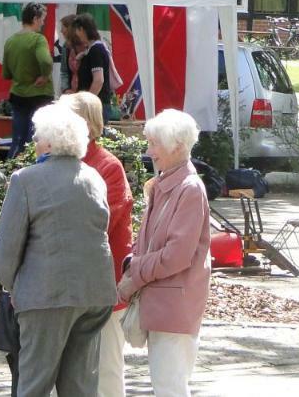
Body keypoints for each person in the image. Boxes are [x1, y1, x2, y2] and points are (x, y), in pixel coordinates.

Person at [0, 103, 117, 397]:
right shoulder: (93, 178)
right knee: (80, 386)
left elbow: (7, 246)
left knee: (34, 384)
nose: (33, 143)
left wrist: (10, 286)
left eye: (36, 138)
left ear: (49, 142)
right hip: (94, 292)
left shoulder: (25, 180)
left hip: (46, 294)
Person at [117, 109, 210, 397]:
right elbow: (150, 243)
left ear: (178, 146)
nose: (149, 151)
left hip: (174, 305)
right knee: (166, 386)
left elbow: (176, 255)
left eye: (155, 143)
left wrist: (135, 273)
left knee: (170, 388)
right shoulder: (167, 184)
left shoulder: (189, 189)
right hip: (163, 303)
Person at [61, 92, 133, 397]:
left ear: (85, 124)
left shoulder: (108, 166)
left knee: (106, 369)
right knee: (67, 370)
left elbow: (100, 226)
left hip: (104, 288)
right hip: (66, 285)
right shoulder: (59, 162)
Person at [2, 3, 54, 159]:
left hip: (17, 95)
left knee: (17, 139)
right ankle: (33, 171)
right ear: (35, 18)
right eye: (42, 19)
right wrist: (44, 76)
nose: (43, 23)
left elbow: (6, 74)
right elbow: (45, 61)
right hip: (39, 96)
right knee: (36, 139)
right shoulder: (38, 39)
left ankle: (11, 170)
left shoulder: (10, 41)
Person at [72, 14, 115, 122]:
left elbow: (98, 80)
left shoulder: (96, 50)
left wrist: (87, 104)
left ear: (81, 29)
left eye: (76, 31)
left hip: (96, 107)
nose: (77, 35)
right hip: (96, 104)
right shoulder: (91, 50)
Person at [55, 13, 79, 94]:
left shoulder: (86, 45)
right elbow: (64, 71)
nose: (61, 31)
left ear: (70, 28)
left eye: (63, 27)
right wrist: (66, 89)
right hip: (71, 92)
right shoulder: (66, 46)